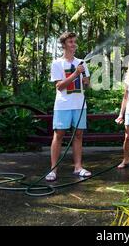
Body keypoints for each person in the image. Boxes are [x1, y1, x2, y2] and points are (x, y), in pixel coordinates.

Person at [46, 32, 91, 181]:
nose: (74, 44)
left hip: (79, 105)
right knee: (58, 135)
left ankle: (78, 167)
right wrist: (75, 74)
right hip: (63, 105)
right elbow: (59, 86)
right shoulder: (57, 63)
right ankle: (53, 170)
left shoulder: (82, 62)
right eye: (71, 42)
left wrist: (85, 81)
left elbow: (87, 84)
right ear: (64, 45)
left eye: (74, 42)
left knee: (78, 135)